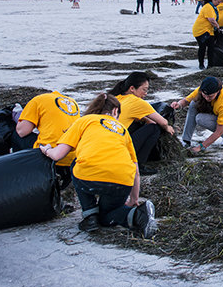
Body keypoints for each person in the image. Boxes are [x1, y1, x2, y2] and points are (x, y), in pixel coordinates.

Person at [40, 93, 157, 238]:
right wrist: (134, 199)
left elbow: (58, 155)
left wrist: (46, 150)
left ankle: (90, 216)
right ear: (115, 111)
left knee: (76, 163)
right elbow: (136, 170)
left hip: (90, 177)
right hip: (122, 180)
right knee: (107, 217)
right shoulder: (122, 130)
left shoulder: (85, 121)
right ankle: (137, 215)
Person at [109, 72, 175, 173]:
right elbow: (163, 122)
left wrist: (145, 119)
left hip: (108, 148)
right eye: (144, 89)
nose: (146, 93)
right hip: (119, 150)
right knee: (154, 128)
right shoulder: (136, 102)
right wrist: (167, 127)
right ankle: (139, 166)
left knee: (140, 123)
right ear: (132, 88)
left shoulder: (116, 97)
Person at [14, 90, 81, 187]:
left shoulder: (37, 100)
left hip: (50, 154)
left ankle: (20, 171)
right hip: (72, 157)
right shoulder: (72, 102)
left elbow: (22, 132)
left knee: (15, 135)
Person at [172, 76, 223, 154]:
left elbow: (219, 131)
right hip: (215, 110)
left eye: (210, 96)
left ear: (218, 91)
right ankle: (186, 140)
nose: (206, 98)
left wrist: (201, 147)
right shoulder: (204, 88)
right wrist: (178, 104)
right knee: (193, 103)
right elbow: (186, 100)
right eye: (204, 95)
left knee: (200, 119)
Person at [193, 0, 220, 69]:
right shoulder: (208, 7)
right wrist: (218, 27)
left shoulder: (212, 7)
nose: (218, 3)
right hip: (201, 31)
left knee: (211, 47)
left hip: (208, 30)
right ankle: (202, 64)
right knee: (203, 47)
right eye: (218, 1)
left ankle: (210, 64)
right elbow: (211, 19)